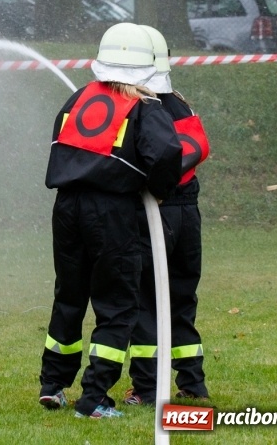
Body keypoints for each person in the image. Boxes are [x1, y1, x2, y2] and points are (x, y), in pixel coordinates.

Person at [38, 22, 183, 419]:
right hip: (112, 211)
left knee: (69, 295)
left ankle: (53, 385)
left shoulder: (80, 97)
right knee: (117, 304)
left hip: (66, 207)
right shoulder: (144, 106)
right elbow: (167, 154)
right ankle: (95, 398)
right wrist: (160, 189)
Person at [124, 25, 211, 406]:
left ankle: (145, 388)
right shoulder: (181, 104)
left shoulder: (144, 109)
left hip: (153, 211)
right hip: (188, 213)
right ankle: (192, 382)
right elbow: (195, 150)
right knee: (181, 299)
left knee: (145, 300)